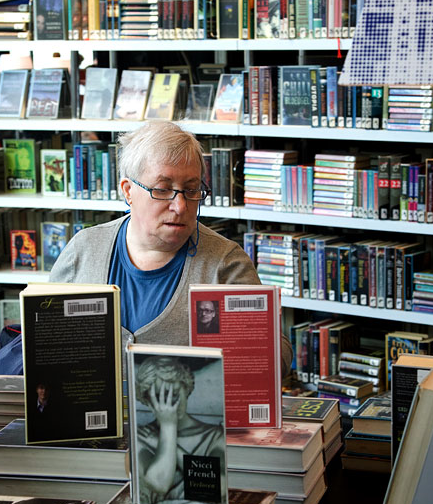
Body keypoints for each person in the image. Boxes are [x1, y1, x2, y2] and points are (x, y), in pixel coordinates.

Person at [50, 120, 292, 373]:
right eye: (163, 190)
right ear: (128, 191)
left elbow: (280, 359)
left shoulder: (225, 263)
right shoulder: (84, 249)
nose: (180, 207)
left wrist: (251, 339)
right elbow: (43, 338)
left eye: (191, 190)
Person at [133, 356, 225, 504]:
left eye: (174, 393)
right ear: (148, 403)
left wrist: (160, 440)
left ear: (187, 388)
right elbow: (159, 484)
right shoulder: (141, 436)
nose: (170, 404)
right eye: (159, 397)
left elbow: (218, 486)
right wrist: (168, 427)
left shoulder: (214, 436)